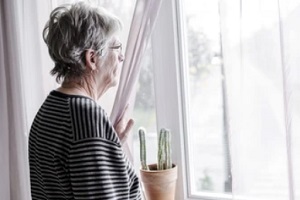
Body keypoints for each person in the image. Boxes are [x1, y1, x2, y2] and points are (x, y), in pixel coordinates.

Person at [28, 2, 141, 200]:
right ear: (92, 58)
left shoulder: (49, 109)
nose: (122, 56)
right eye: (116, 47)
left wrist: (109, 146)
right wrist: (98, 136)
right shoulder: (86, 117)